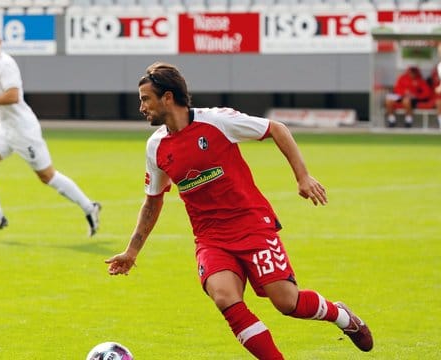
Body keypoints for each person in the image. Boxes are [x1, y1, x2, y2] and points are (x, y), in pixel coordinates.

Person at [105, 62, 373, 359]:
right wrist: (131, 252)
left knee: (287, 303)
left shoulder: (217, 121)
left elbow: (277, 129)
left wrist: (303, 177)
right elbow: (153, 201)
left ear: (168, 97)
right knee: (224, 298)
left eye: (145, 99)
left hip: (252, 225)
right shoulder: (155, 147)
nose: (141, 107)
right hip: (210, 238)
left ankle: (342, 316)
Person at [0, 25, 101, 239]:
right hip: (4, 128)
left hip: (23, 130)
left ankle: (89, 206)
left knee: (47, 176)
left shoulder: (6, 64)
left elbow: (13, 96)